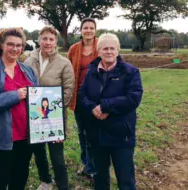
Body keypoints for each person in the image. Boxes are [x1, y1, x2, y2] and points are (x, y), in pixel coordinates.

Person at [0, 28, 38, 189]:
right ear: (1, 45)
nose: (15, 49)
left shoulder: (28, 71)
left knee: (19, 179)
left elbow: (38, 101)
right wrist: (14, 96)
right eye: (10, 44)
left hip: (25, 137)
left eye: (19, 45)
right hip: (0, 138)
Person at [79, 33, 143, 190]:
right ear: (98, 51)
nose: (109, 52)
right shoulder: (91, 71)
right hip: (97, 134)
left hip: (121, 135)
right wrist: (92, 108)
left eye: (112, 48)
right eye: (105, 48)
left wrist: (105, 107)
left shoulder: (130, 72)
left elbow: (133, 98)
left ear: (118, 50)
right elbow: (82, 94)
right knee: (100, 179)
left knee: (126, 180)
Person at [24, 26, 74, 190]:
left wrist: (54, 112)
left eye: (51, 39)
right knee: (39, 153)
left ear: (55, 42)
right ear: (39, 40)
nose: (47, 42)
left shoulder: (64, 63)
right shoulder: (28, 60)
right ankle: (46, 181)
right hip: (34, 118)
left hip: (54, 119)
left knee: (57, 157)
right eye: (44, 38)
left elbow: (68, 91)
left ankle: (63, 185)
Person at [67, 17, 99, 179]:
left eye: (91, 28)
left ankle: (94, 167)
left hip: (97, 99)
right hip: (78, 98)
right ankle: (86, 162)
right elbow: (67, 72)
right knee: (82, 133)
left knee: (93, 133)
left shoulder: (101, 47)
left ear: (95, 30)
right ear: (81, 30)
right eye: (85, 28)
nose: (88, 30)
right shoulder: (74, 49)